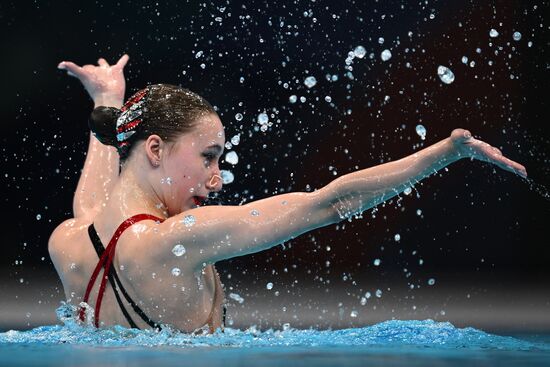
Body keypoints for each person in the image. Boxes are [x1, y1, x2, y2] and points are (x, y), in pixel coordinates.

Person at [49, 55, 527, 334]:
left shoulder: (67, 240)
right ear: (154, 148)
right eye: (208, 156)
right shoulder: (178, 240)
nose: (217, 178)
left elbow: (92, 201)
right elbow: (329, 203)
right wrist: (444, 154)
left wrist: (108, 101)